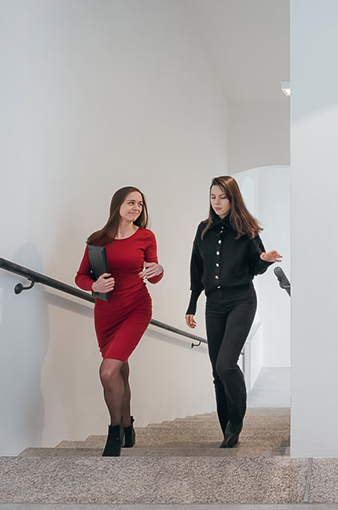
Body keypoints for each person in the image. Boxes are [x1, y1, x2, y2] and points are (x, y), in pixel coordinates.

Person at [185, 176, 282, 448]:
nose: (217, 202)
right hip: (213, 304)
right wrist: (192, 303)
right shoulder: (203, 229)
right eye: (213, 197)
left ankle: (236, 422)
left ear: (233, 198)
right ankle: (226, 428)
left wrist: (264, 260)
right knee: (216, 372)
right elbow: (196, 268)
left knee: (226, 365)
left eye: (222, 197)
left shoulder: (247, 230)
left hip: (241, 300)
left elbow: (256, 265)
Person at [75, 186, 164, 456]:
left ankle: (114, 431)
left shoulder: (146, 236)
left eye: (139, 204)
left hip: (137, 308)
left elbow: (154, 273)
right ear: (117, 206)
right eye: (130, 203)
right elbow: (80, 276)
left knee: (108, 371)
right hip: (106, 313)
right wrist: (95, 284)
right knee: (120, 368)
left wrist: (158, 269)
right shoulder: (98, 239)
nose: (136, 208)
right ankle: (128, 424)